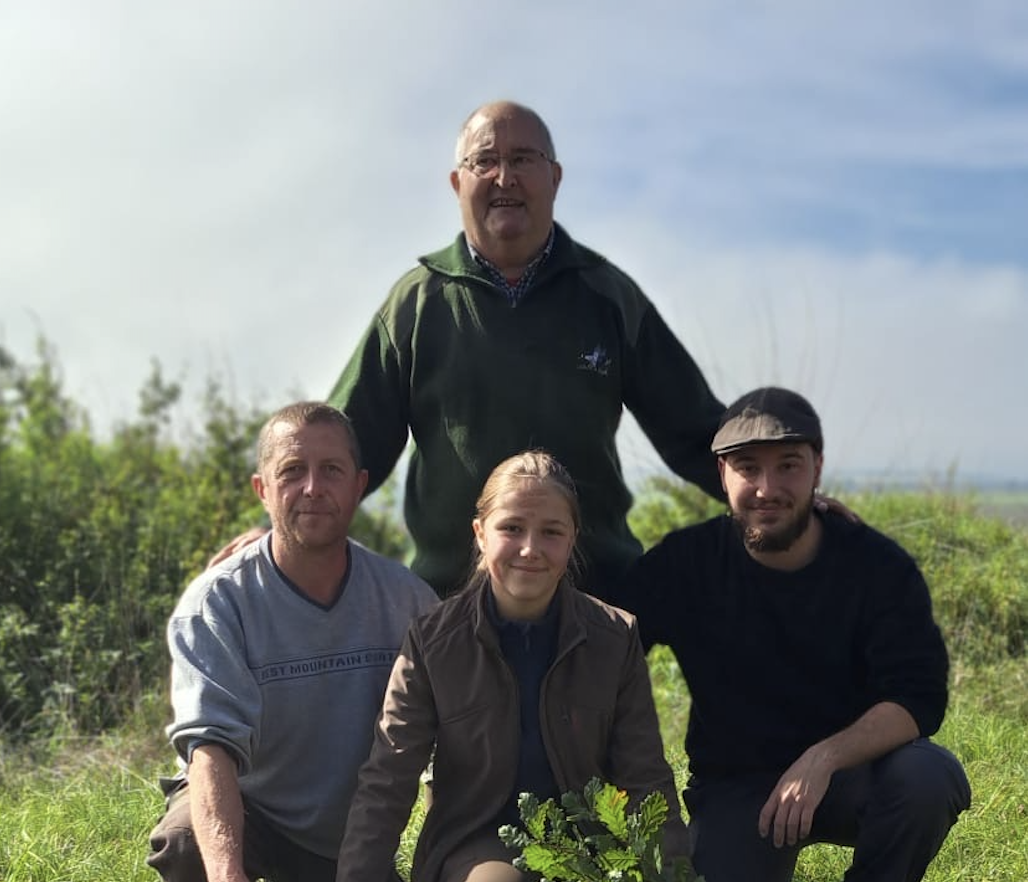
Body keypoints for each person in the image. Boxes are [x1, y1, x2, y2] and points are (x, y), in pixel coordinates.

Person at [214, 99, 727, 603]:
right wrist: (276, 529)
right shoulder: (417, 303)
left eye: (523, 159)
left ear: (556, 178)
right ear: (458, 183)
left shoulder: (608, 296)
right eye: (485, 161)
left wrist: (781, 495)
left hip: (594, 603)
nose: (504, 178)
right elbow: (344, 446)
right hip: (452, 609)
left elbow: (696, 429)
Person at [323, 450, 699, 882]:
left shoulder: (614, 637)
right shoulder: (433, 641)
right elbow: (386, 783)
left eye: (551, 531)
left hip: (593, 846)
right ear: (479, 533)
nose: (530, 549)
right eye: (511, 528)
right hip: (480, 842)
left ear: (573, 540)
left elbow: (645, 774)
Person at [620, 387, 972, 882]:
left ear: (818, 469)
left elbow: (919, 697)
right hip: (738, 788)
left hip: (849, 775)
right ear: (722, 474)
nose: (767, 488)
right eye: (748, 468)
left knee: (926, 777)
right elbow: (608, 642)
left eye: (788, 466)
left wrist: (824, 757)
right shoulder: (686, 563)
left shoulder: (876, 567)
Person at [146, 401, 437, 882]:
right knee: (185, 846)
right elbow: (210, 752)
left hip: (345, 834)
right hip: (247, 807)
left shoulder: (406, 600)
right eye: (291, 471)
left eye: (332, 470)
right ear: (262, 488)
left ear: (359, 486)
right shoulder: (217, 603)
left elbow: (443, 742)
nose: (312, 488)